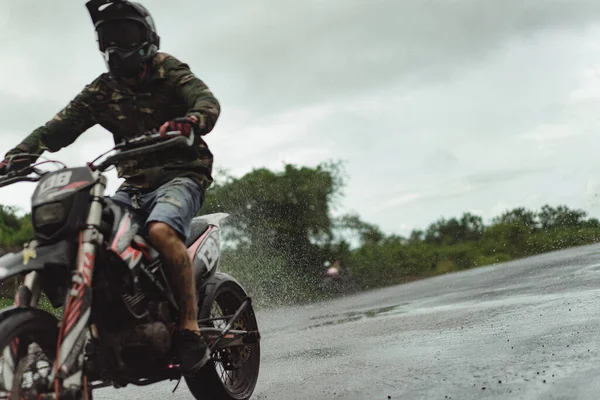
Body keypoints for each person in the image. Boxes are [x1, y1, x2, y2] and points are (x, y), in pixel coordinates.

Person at [0, 0, 220, 375]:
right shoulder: (103, 89)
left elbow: (205, 101)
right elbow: (58, 128)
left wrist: (190, 120)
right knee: (95, 235)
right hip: (132, 185)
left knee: (161, 231)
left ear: (147, 37)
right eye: (107, 38)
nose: (116, 46)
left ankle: (189, 327)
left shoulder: (168, 70)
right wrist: (17, 155)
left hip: (181, 175)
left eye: (125, 35)